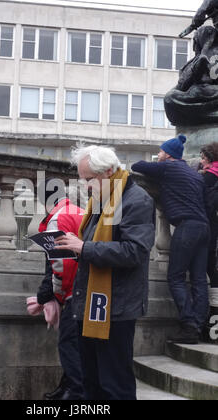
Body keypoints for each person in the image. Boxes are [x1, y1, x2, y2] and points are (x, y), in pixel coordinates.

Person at [55, 146, 155, 400]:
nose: (85, 185)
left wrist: (84, 247)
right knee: (92, 383)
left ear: (109, 171)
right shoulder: (101, 199)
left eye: (89, 179)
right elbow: (91, 246)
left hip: (117, 308)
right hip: (89, 304)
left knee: (114, 385)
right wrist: (73, 244)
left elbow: (135, 252)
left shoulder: (137, 199)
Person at [132, 134, 210, 344]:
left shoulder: (168, 167)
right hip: (204, 228)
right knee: (199, 279)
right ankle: (199, 325)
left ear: (167, 154)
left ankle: (189, 325)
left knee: (175, 277)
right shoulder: (194, 175)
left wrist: (159, 163)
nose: (158, 154)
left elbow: (137, 165)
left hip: (186, 227)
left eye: (160, 151)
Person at [36, 178, 85, 400]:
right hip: (87, 286)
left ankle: (75, 394)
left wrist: (55, 293)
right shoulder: (80, 211)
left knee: (68, 344)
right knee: (79, 345)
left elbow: (59, 263)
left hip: (71, 291)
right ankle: (67, 388)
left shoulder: (57, 218)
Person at [200, 142, 218, 334]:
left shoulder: (210, 177)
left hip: (212, 229)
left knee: (212, 274)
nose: (201, 160)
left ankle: (213, 325)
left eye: (204, 157)